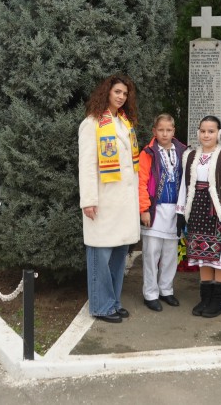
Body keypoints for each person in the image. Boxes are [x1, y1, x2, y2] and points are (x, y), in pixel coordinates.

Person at [78, 74, 141, 324]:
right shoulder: (92, 123)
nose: (121, 97)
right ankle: (101, 306)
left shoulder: (125, 122)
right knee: (100, 256)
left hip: (124, 203)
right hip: (103, 201)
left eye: (125, 93)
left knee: (118, 255)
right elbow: (86, 165)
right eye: (117, 92)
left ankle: (113, 301)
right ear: (107, 92)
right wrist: (88, 200)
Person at [177, 116, 221, 318]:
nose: (206, 135)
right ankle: (205, 297)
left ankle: (218, 300)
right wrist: (181, 213)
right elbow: (185, 186)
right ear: (198, 133)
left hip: (218, 213)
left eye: (211, 131)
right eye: (203, 131)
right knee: (202, 255)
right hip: (197, 210)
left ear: (219, 134)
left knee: (220, 256)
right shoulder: (190, 156)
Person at [138, 113, 187, 312]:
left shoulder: (183, 151)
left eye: (168, 130)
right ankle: (150, 293)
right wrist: (144, 209)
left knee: (170, 253)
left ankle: (166, 290)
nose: (165, 134)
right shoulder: (148, 152)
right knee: (151, 253)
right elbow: (141, 182)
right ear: (154, 131)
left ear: (174, 131)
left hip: (175, 209)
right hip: (155, 209)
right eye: (161, 130)